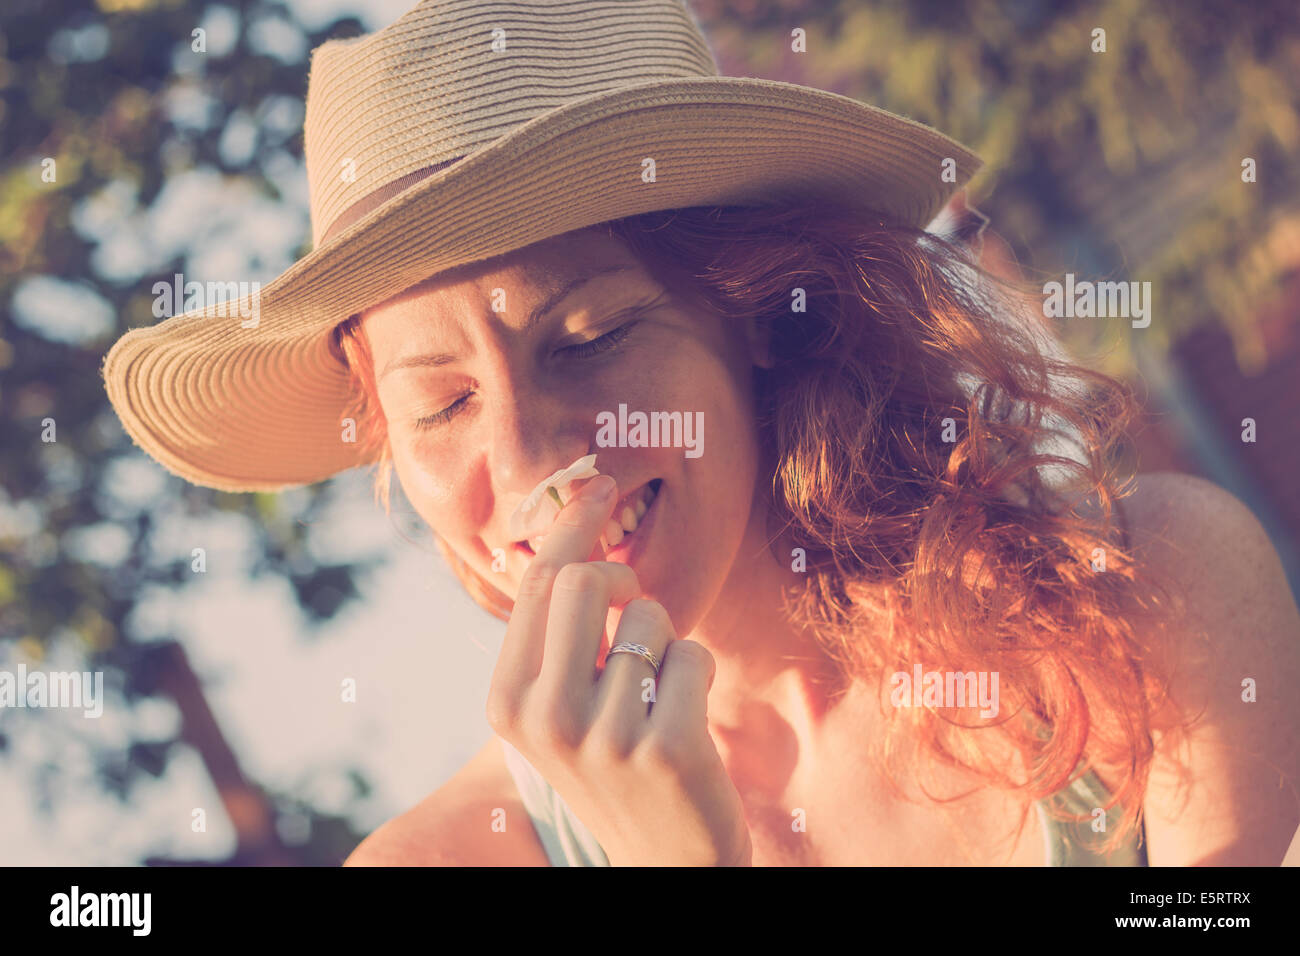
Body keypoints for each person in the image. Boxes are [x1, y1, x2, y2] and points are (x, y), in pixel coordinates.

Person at [102, 0, 1300, 866]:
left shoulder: (1147, 605)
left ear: (761, 313)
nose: (526, 462)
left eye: (586, 339)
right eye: (444, 405)